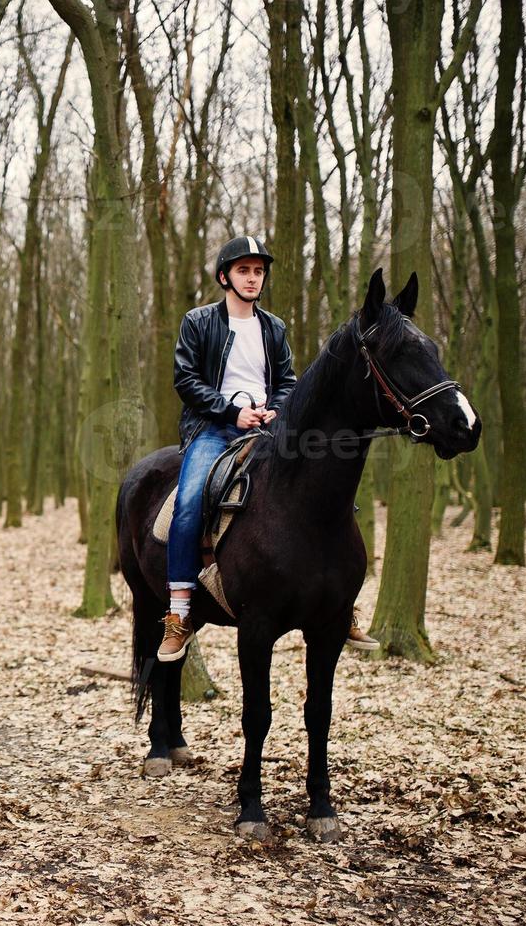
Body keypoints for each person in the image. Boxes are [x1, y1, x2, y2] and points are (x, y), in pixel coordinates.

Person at [159, 236, 378, 662]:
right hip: (212, 428)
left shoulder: (273, 327)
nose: (253, 278)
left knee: (330, 496)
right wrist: (232, 411)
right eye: (244, 270)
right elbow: (186, 380)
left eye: (258, 271)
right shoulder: (198, 321)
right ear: (225, 276)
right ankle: (179, 613)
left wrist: (276, 412)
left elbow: (287, 382)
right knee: (187, 502)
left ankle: (341, 604)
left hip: (268, 430)